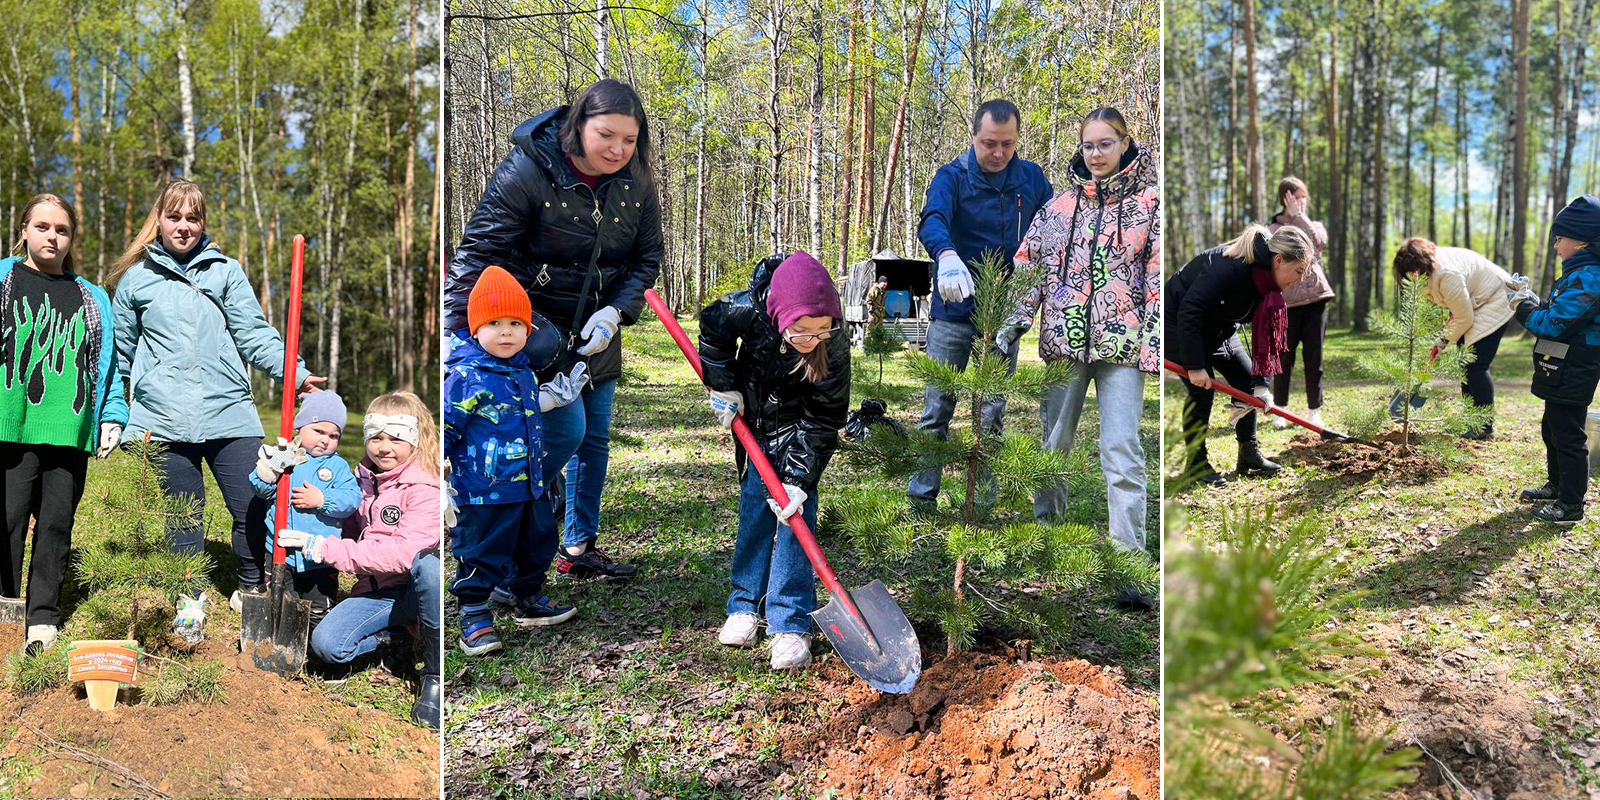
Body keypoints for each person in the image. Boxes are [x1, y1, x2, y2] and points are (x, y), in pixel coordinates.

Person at [444, 78, 662, 586]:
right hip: (526, 333)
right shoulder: (528, 169)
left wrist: (615, 313)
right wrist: (455, 337)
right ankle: (509, 534)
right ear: (578, 125)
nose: (618, 149)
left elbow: (646, 258)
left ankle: (577, 545)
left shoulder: (637, 182)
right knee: (557, 433)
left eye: (630, 140)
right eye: (607, 135)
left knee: (595, 439)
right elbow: (477, 254)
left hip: (596, 328)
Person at [108, 179, 323, 643]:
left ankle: (251, 589)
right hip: (162, 416)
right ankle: (190, 607)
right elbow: (119, 355)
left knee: (251, 503)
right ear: (159, 221)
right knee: (182, 516)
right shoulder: (136, 279)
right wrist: (115, 414)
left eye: (193, 217)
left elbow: (254, 333)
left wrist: (295, 374)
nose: (184, 226)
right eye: (175, 217)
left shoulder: (225, 270)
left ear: (203, 222)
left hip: (229, 411)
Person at [1001, 107, 1160, 574]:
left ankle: (1129, 559)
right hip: (1063, 346)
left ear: (1125, 142)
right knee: (1053, 445)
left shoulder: (1150, 206)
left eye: (1105, 144)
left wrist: (1152, 345)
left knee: (1122, 450)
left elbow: (1156, 281)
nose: (1095, 154)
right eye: (1088, 145)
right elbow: (1028, 271)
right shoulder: (1058, 209)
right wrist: (1012, 324)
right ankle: (1048, 539)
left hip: (1123, 351)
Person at [699, 251, 850, 670]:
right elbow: (712, 327)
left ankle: (790, 622)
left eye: (821, 330)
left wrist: (800, 479)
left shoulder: (832, 340)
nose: (812, 339)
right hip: (758, 425)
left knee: (795, 520)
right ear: (779, 315)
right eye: (801, 331)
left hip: (802, 429)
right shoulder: (746, 309)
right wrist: (724, 385)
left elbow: (826, 415)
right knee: (755, 512)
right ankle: (744, 604)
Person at [909, 99, 1053, 509]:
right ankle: (922, 499)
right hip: (953, 314)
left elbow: (1052, 226)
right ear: (974, 136)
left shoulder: (1031, 179)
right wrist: (945, 254)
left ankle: (982, 504)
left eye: (1007, 144)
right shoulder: (951, 177)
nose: (998, 153)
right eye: (989, 143)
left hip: (1004, 316)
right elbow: (932, 218)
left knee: (991, 414)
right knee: (937, 408)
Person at [1, 194, 128, 654]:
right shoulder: (3, 277)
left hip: (70, 431)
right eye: (42, 226)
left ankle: (42, 620)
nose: (52, 236)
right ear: (24, 230)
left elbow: (107, 367)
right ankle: (7, 603)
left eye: (61, 229)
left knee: (56, 524)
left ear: (71, 238)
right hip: (10, 425)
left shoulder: (91, 296)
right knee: (8, 518)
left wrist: (113, 415)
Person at [444, 266, 587, 656]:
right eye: (494, 323)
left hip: (531, 482)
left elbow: (517, 413)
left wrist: (549, 400)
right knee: (483, 548)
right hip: (484, 488)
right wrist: (438, 475)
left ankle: (528, 595)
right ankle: (473, 612)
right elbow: (447, 426)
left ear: (528, 329)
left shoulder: (522, 369)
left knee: (537, 539)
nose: (505, 332)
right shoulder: (464, 375)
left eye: (514, 323)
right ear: (475, 329)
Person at [281, 391, 443, 729]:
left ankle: (433, 674)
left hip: (417, 589)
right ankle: (396, 636)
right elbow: (350, 529)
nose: (385, 447)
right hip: (378, 591)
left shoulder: (425, 486)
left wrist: (327, 549)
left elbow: (404, 555)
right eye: (376, 437)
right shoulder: (364, 481)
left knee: (429, 565)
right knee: (327, 646)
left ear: (416, 439)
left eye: (396, 438)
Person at [1167, 224, 1314, 484]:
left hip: (1220, 326)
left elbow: (1265, 335)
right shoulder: (1230, 267)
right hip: (1178, 323)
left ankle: (1248, 454)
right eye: (1299, 271)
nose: (1299, 280)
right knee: (1202, 390)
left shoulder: (1268, 284)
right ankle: (1196, 464)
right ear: (1279, 260)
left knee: (1248, 383)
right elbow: (1190, 310)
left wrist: (1262, 385)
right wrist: (1195, 365)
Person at [1512, 196, 1600, 524]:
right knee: (1552, 429)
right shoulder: (1576, 274)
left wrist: (1521, 307)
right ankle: (1557, 485)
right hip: (1561, 364)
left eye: (1559, 239)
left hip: (1577, 365)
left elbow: (1553, 324)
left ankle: (1571, 505)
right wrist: (1532, 300)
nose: (1556, 246)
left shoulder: (1590, 277)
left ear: (1581, 241)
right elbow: (1555, 312)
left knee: (1569, 435)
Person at [247, 391, 360, 624]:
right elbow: (261, 490)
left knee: (319, 605)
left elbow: (351, 499)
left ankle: (316, 644)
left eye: (334, 435)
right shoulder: (286, 457)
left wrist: (322, 500)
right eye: (318, 431)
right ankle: (277, 635)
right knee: (279, 601)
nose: (325, 439)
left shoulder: (337, 466)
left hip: (319, 555)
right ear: (299, 428)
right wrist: (268, 472)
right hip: (279, 551)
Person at [1392, 237, 1517, 439]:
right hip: (1477, 301)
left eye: (1413, 272)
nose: (1412, 277)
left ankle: (1483, 428)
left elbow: (1464, 318)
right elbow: (1458, 308)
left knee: (1475, 365)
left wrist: (1442, 340)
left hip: (1497, 298)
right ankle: (1469, 421)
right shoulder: (1429, 271)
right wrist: (1443, 337)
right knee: (1465, 363)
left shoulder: (1446, 275)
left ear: (1420, 265)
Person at [1266, 177, 1334, 429]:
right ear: (1285, 199)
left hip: (1316, 300)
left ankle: (1314, 410)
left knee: (1314, 359)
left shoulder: (1313, 224)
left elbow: (1317, 244)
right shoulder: (1272, 229)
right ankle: (1280, 409)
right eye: (1296, 197)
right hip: (1287, 305)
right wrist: (1291, 219)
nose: (1301, 202)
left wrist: (1299, 217)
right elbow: (1280, 255)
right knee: (1284, 359)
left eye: (1304, 197)